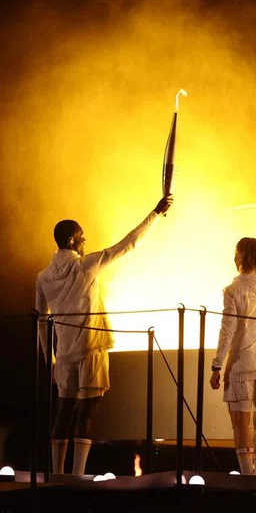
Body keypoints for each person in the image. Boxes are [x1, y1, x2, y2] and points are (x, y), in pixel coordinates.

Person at [36, 195, 174, 475]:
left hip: (63, 353)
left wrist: (49, 357)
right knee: (88, 409)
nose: (86, 241)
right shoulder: (85, 266)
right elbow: (128, 245)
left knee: (64, 410)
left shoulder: (43, 277)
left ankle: (57, 473)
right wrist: (156, 214)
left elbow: (40, 320)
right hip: (90, 347)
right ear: (74, 242)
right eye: (82, 237)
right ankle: (76, 474)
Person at [210, 196, 256, 476]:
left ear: (242, 257)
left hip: (241, 365)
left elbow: (226, 330)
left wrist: (217, 366)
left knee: (240, 421)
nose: (234, 257)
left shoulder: (233, 290)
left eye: (237, 253)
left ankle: (248, 476)